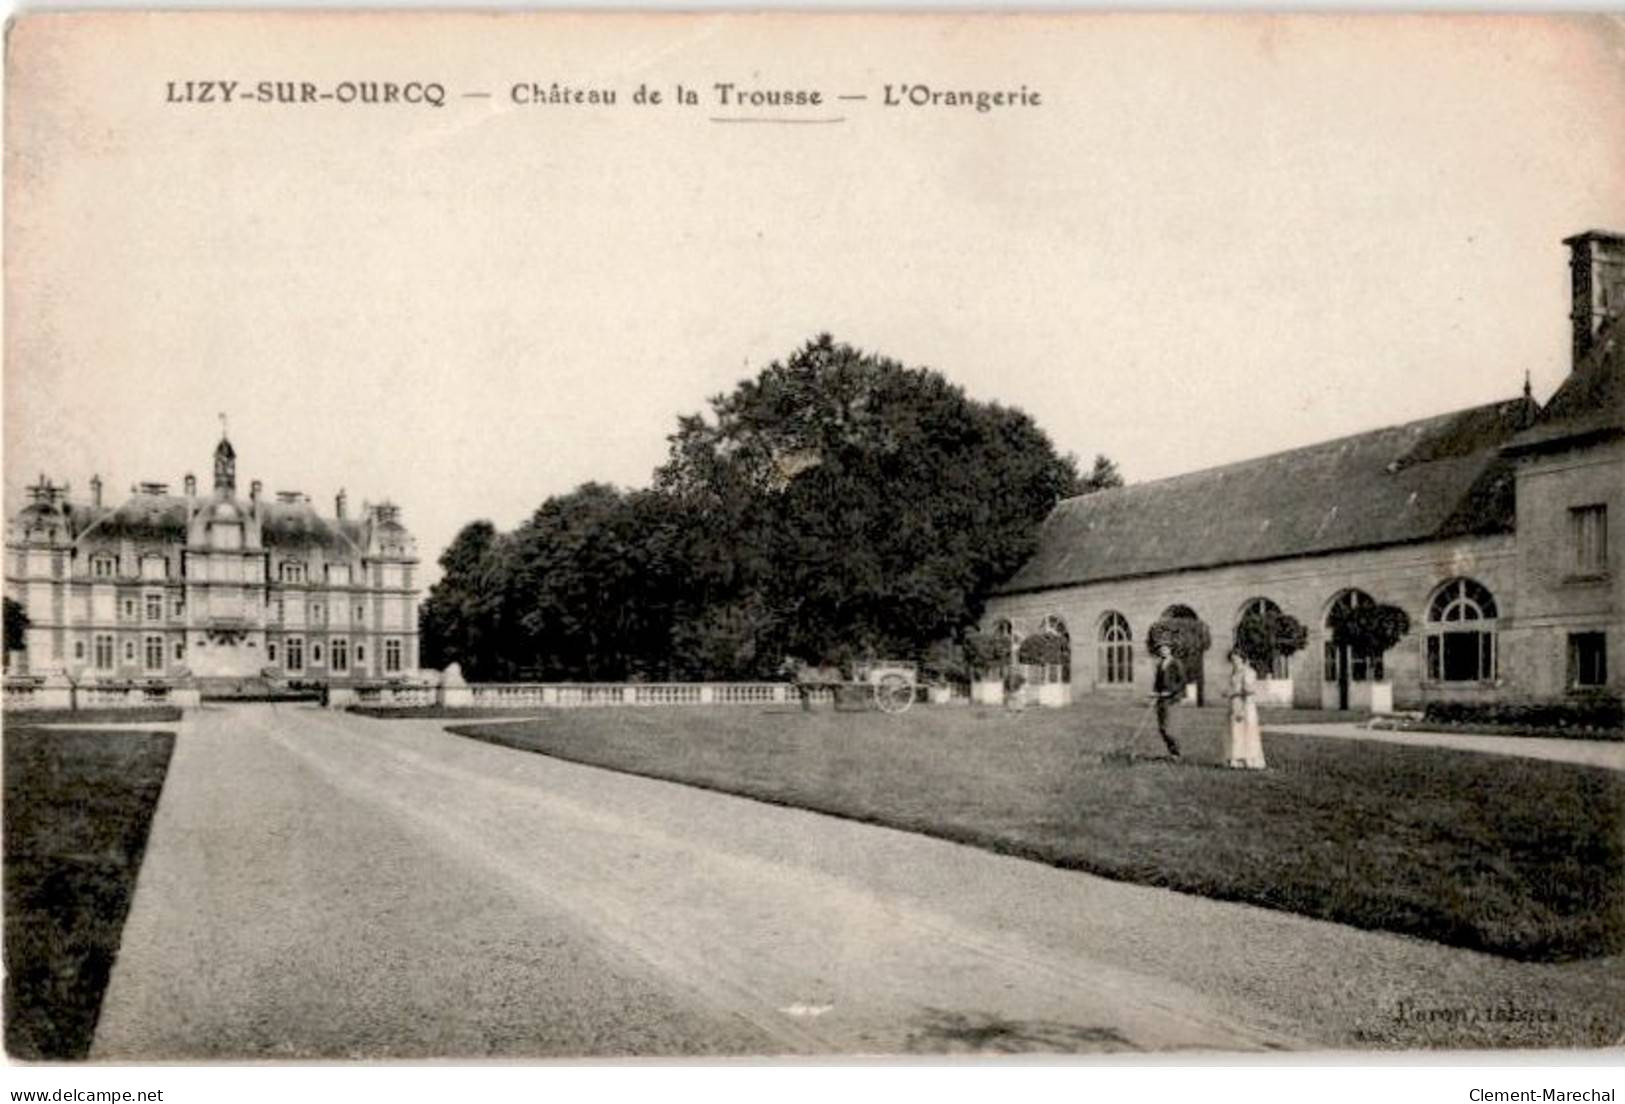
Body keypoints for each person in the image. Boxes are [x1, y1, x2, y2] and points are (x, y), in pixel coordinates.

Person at [1224, 649, 1267, 770]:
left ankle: (1250, 760)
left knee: (1247, 731)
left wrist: (1235, 692)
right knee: (1235, 732)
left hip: (1245, 704)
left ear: (1242, 659)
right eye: (1232, 659)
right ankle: (1236, 759)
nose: (1234, 661)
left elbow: (1249, 690)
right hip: (1234, 703)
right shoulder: (1234, 672)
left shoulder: (1248, 672)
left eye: (1236, 659)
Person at [1152, 643, 1185, 759]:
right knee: (1161, 727)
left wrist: (1170, 692)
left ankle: (1176, 752)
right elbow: (1157, 682)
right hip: (1161, 699)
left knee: (1169, 728)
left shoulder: (1176, 663)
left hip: (1172, 700)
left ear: (1170, 650)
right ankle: (1172, 752)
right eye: (1161, 649)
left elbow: (1181, 682)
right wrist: (1155, 693)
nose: (1163, 651)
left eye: (1165, 649)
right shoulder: (1160, 664)